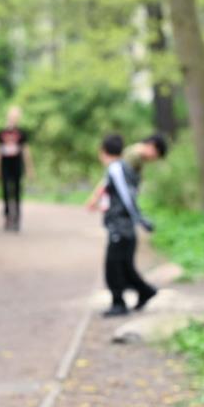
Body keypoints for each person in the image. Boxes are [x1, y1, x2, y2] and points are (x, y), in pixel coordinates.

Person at [86, 134, 163, 317]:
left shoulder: (116, 168)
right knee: (125, 266)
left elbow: (127, 196)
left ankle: (118, 303)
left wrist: (139, 218)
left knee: (112, 266)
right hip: (123, 225)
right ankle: (145, 291)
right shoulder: (124, 167)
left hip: (121, 226)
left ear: (102, 152)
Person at [0, 106, 34, 232]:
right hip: (5, 166)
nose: (14, 118)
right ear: (8, 116)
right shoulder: (0, 133)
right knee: (5, 191)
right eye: (12, 116)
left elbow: (26, 151)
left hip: (17, 165)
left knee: (16, 191)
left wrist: (30, 168)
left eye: (16, 116)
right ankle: (7, 217)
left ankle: (16, 219)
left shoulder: (22, 133)